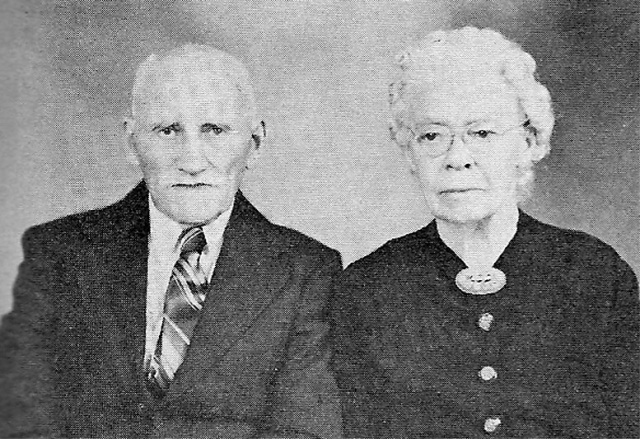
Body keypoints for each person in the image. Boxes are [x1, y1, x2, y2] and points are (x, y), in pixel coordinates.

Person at [0, 44, 342, 438]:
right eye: (168, 131)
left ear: (255, 143)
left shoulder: (306, 271)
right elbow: (21, 412)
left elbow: (304, 429)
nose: (192, 160)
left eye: (214, 130)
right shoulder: (59, 253)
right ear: (132, 142)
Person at [331, 27, 638, 438]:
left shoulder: (593, 274)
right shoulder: (368, 288)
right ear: (409, 151)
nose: (457, 158)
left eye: (482, 133)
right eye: (432, 135)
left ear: (530, 142)